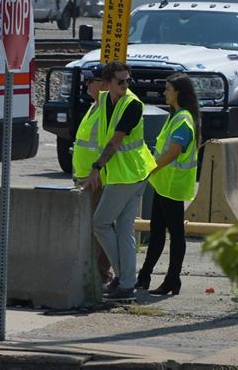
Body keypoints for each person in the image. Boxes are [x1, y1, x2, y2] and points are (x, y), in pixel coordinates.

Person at [82, 61, 155, 300]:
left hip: (129, 175)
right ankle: (125, 284)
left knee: (100, 223)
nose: (126, 85)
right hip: (126, 174)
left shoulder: (132, 104)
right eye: (120, 81)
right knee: (124, 230)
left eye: (128, 80)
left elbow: (115, 142)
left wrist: (95, 169)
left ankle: (124, 279)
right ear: (107, 84)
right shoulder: (104, 101)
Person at [136, 73, 200, 296]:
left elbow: (173, 153)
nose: (165, 93)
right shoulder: (176, 116)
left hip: (171, 185)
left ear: (178, 93)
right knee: (157, 232)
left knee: (174, 233)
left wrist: (151, 168)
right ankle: (145, 275)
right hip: (164, 184)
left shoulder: (183, 119)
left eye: (168, 89)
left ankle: (172, 279)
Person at [70, 65, 114, 284]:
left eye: (91, 80)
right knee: (91, 229)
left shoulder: (107, 108)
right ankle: (98, 272)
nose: (86, 84)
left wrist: (96, 172)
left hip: (96, 177)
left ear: (104, 84)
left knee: (99, 228)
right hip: (85, 175)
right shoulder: (94, 106)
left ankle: (102, 274)